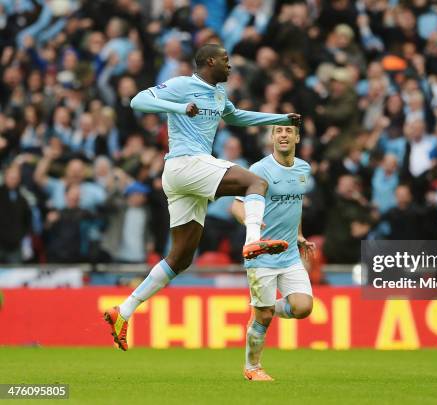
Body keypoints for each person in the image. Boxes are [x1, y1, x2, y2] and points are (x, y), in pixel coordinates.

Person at [104, 44, 301, 351]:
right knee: (256, 183)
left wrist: (279, 117)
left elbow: (236, 118)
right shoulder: (183, 85)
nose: (230, 66)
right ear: (210, 61)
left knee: (181, 257)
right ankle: (252, 241)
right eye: (225, 61)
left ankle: (124, 311)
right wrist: (178, 108)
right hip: (186, 162)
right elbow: (137, 100)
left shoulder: (219, 93)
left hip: (185, 177)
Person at [231, 125, 315, 381]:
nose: (283, 135)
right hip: (261, 254)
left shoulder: (303, 169)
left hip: (289, 253)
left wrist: (299, 234)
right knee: (264, 318)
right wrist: (252, 224)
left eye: (289, 131)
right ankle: (252, 367)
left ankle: (261, 309)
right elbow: (236, 206)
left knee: (303, 307)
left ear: (297, 137)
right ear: (272, 137)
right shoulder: (258, 170)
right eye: (278, 131)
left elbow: (295, 206)